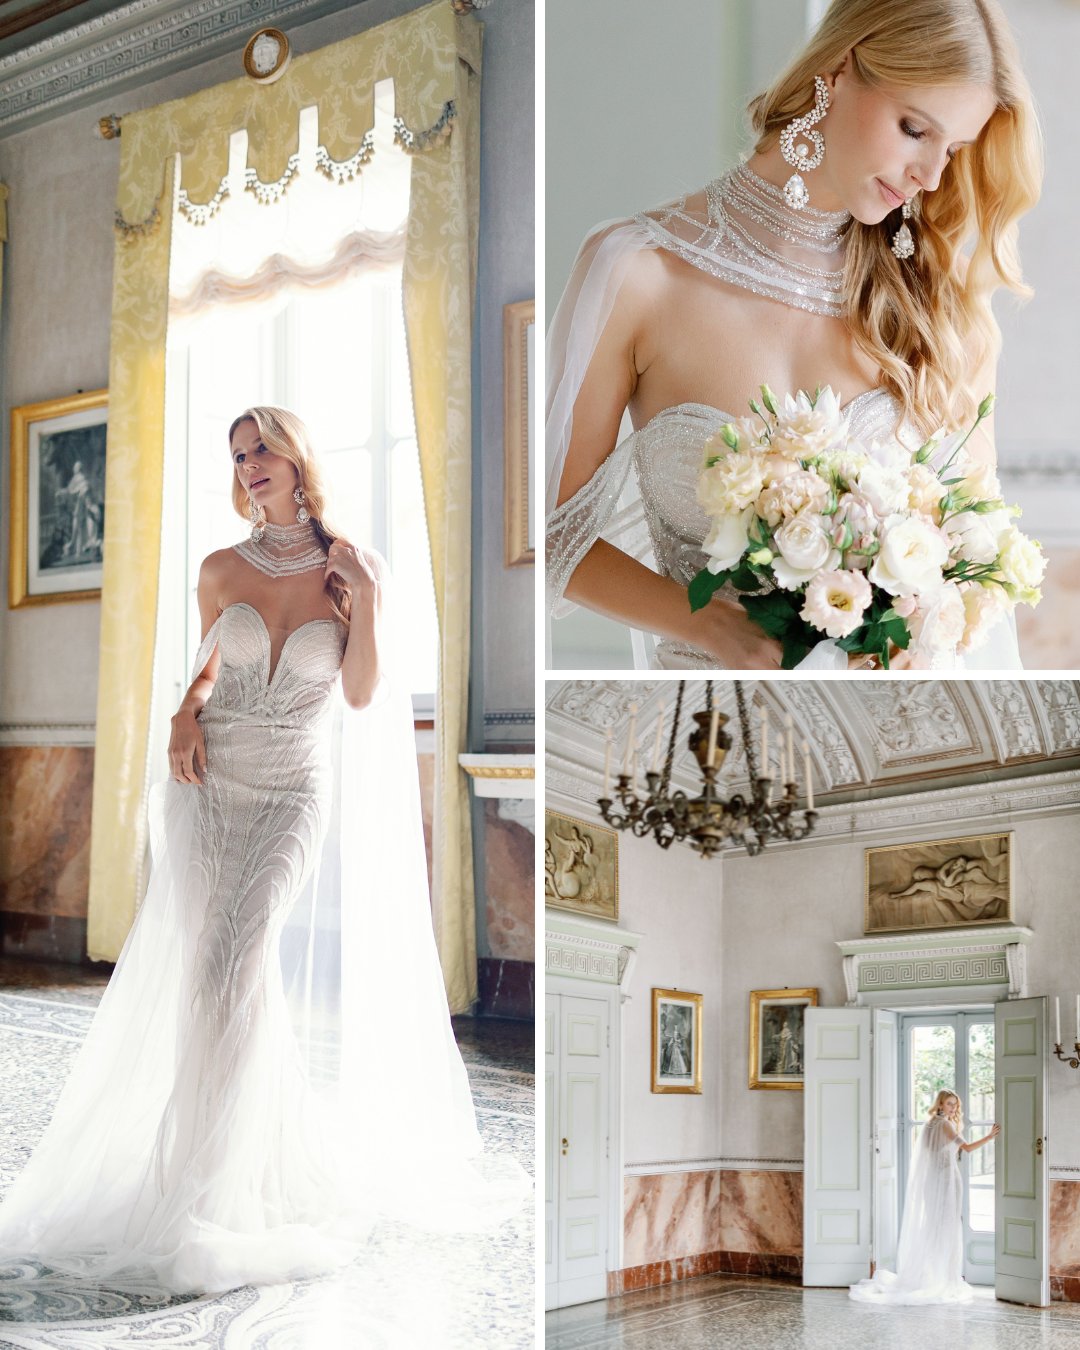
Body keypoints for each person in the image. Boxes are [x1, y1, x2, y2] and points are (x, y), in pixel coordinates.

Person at [0, 407, 523, 1297]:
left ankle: (213, 1188)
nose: (248, 468)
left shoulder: (352, 570)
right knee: (215, 972)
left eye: (261, 451)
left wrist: (375, 603)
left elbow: (359, 696)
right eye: (237, 456)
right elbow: (203, 670)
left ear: (295, 455)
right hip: (205, 785)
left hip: (290, 794)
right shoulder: (218, 569)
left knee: (233, 965)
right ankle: (207, 1167)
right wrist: (178, 715)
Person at [546, 0, 1041, 670]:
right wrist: (705, 624)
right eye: (914, 129)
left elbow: (978, 582)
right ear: (837, 72)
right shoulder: (636, 272)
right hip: (701, 737)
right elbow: (549, 535)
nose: (931, 177)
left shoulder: (943, 315)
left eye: (953, 151)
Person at [850, 1089, 999, 1304]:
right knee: (945, 1227)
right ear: (940, 1104)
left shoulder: (931, 1123)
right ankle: (943, 1278)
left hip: (934, 1178)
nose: (954, 1108)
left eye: (955, 1105)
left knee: (935, 1226)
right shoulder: (944, 1124)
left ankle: (931, 1275)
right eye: (949, 1104)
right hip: (946, 1178)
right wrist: (989, 1136)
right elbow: (967, 1148)